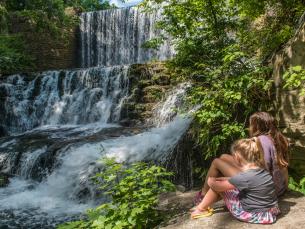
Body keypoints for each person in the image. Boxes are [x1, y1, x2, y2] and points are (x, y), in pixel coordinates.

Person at [194, 112, 289, 204]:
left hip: (264, 184)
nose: (249, 127)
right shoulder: (275, 137)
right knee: (224, 157)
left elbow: (263, 168)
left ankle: (203, 195)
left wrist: (232, 179)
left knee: (216, 162)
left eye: (251, 124)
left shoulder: (262, 141)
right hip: (277, 184)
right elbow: (283, 167)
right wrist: (285, 186)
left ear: (257, 126)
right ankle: (205, 193)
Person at [191, 138, 280, 224]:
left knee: (217, 188)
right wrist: (224, 179)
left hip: (254, 215)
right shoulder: (263, 171)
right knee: (229, 187)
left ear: (237, 157)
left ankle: (200, 209)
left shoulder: (244, 177)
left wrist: (211, 181)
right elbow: (246, 182)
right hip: (270, 211)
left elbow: (217, 187)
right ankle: (204, 204)